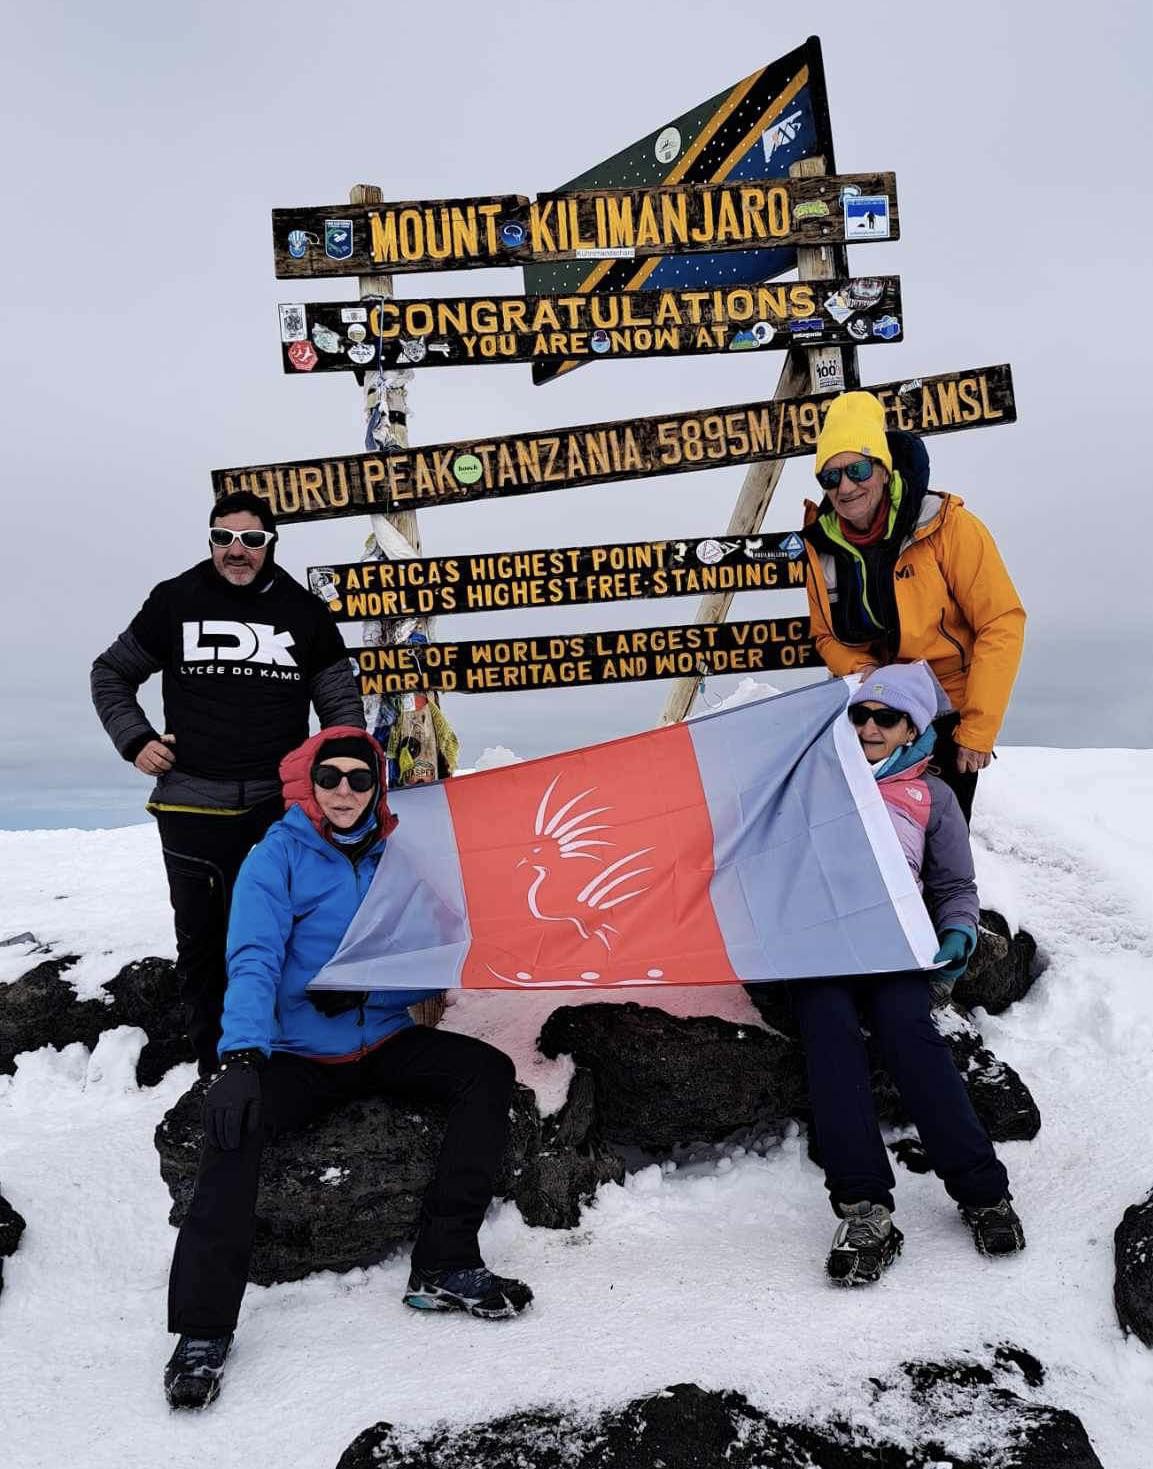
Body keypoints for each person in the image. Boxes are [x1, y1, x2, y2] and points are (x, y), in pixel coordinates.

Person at [164, 728, 530, 1410]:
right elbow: (251, 958)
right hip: (298, 1055)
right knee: (233, 1131)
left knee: (485, 1072)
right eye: (329, 777)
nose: (343, 791)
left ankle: (446, 1261)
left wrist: (369, 988)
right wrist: (240, 1056)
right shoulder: (276, 857)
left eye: (359, 779)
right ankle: (203, 1330)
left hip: (383, 1041)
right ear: (307, 782)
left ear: (375, 787)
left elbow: (429, 940)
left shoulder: (397, 856)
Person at [90, 491, 364, 1075]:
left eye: (251, 539)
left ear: (270, 544)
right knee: (206, 948)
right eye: (223, 537)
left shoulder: (304, 612)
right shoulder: (174, 600)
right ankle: (219, 1072)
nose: (236, 550)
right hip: (193, 810)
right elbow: (110, 672)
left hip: (280, 810)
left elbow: (339, 702)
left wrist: (344, 778)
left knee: (295, 937)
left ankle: (294, 1060)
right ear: (211, 539)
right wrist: (135, 740)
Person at [791, 662, 1026, 1287]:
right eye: (860, 714)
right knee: (830, 1037)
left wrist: (958, 931)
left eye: (885, 717)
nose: (869, 725)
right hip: (820, 954)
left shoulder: (933, 797)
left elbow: (954, 884)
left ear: (911, 729)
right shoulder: (815, 785)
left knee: (911, 1038)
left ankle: (983, 1193)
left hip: (894, 953)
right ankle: (865, 1210)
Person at [803, 391, 1026, 822]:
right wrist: (860, 668)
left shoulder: (947, 526)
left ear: (883, 471)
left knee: (938, 842)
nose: (846, 487)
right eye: (831, 477)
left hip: (946, 714)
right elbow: (824, 634)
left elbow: (1001, 623)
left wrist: (977, 731)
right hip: (873, 714)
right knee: (874, 841)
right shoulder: (820, 546)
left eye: (858, 469)